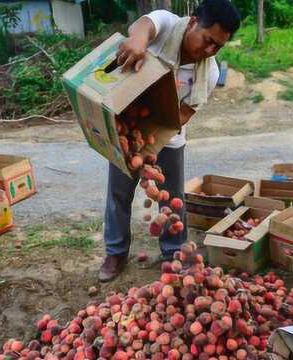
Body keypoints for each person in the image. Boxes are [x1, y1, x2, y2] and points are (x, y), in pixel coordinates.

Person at [99, 0, 241, 282]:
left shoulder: (209, 73)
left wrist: (149, 145)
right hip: (126, 128)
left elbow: (182, 115)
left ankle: (174, 253)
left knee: (173, 200)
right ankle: (115, 253)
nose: (210, 51)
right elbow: (144, 26)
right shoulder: (165, 24)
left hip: (169, 136)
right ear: (192, 22)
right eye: (208, 40)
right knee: (118, 193)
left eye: (218, 47)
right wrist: (138, 42)